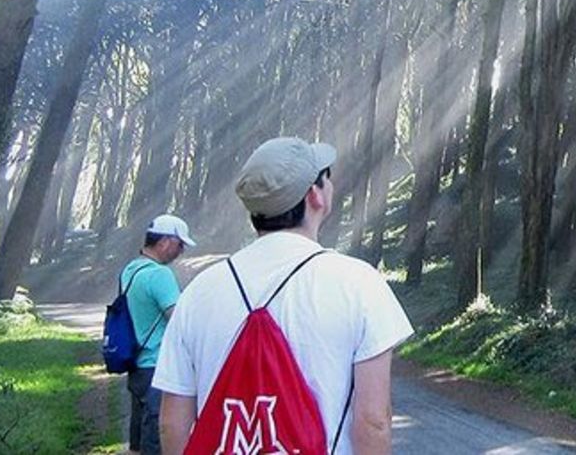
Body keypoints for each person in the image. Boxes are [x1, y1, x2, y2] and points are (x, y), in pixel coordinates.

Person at [154, 136, 413, 455]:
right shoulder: (359, 284)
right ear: (314, 195)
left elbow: (171, 422)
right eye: (325, 177)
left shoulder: (198, 293)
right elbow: (373, 420)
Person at [121, 213, 194, 455]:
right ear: (165, 242)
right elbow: (178, 321)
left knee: (138, 440)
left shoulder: (130, 270)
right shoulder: (160, 275)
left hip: (137, 364)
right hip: (158, 366)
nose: (181, 251)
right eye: (179, 244)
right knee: (157, 439)